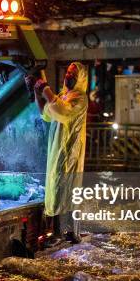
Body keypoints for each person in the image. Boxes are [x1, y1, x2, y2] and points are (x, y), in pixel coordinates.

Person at [25, 62, 88, 244]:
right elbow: (46, 113)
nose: (68, 76)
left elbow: (61, 110)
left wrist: (44, 88)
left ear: (81, 78)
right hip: (59, 149)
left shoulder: (80, 98)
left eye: (73, 73)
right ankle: (63, 232)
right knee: (60, 186)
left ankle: (68, 233)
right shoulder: (63, 95)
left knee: (67, 187)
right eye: (68, 72)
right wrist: (38, 93)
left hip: (70, 152)